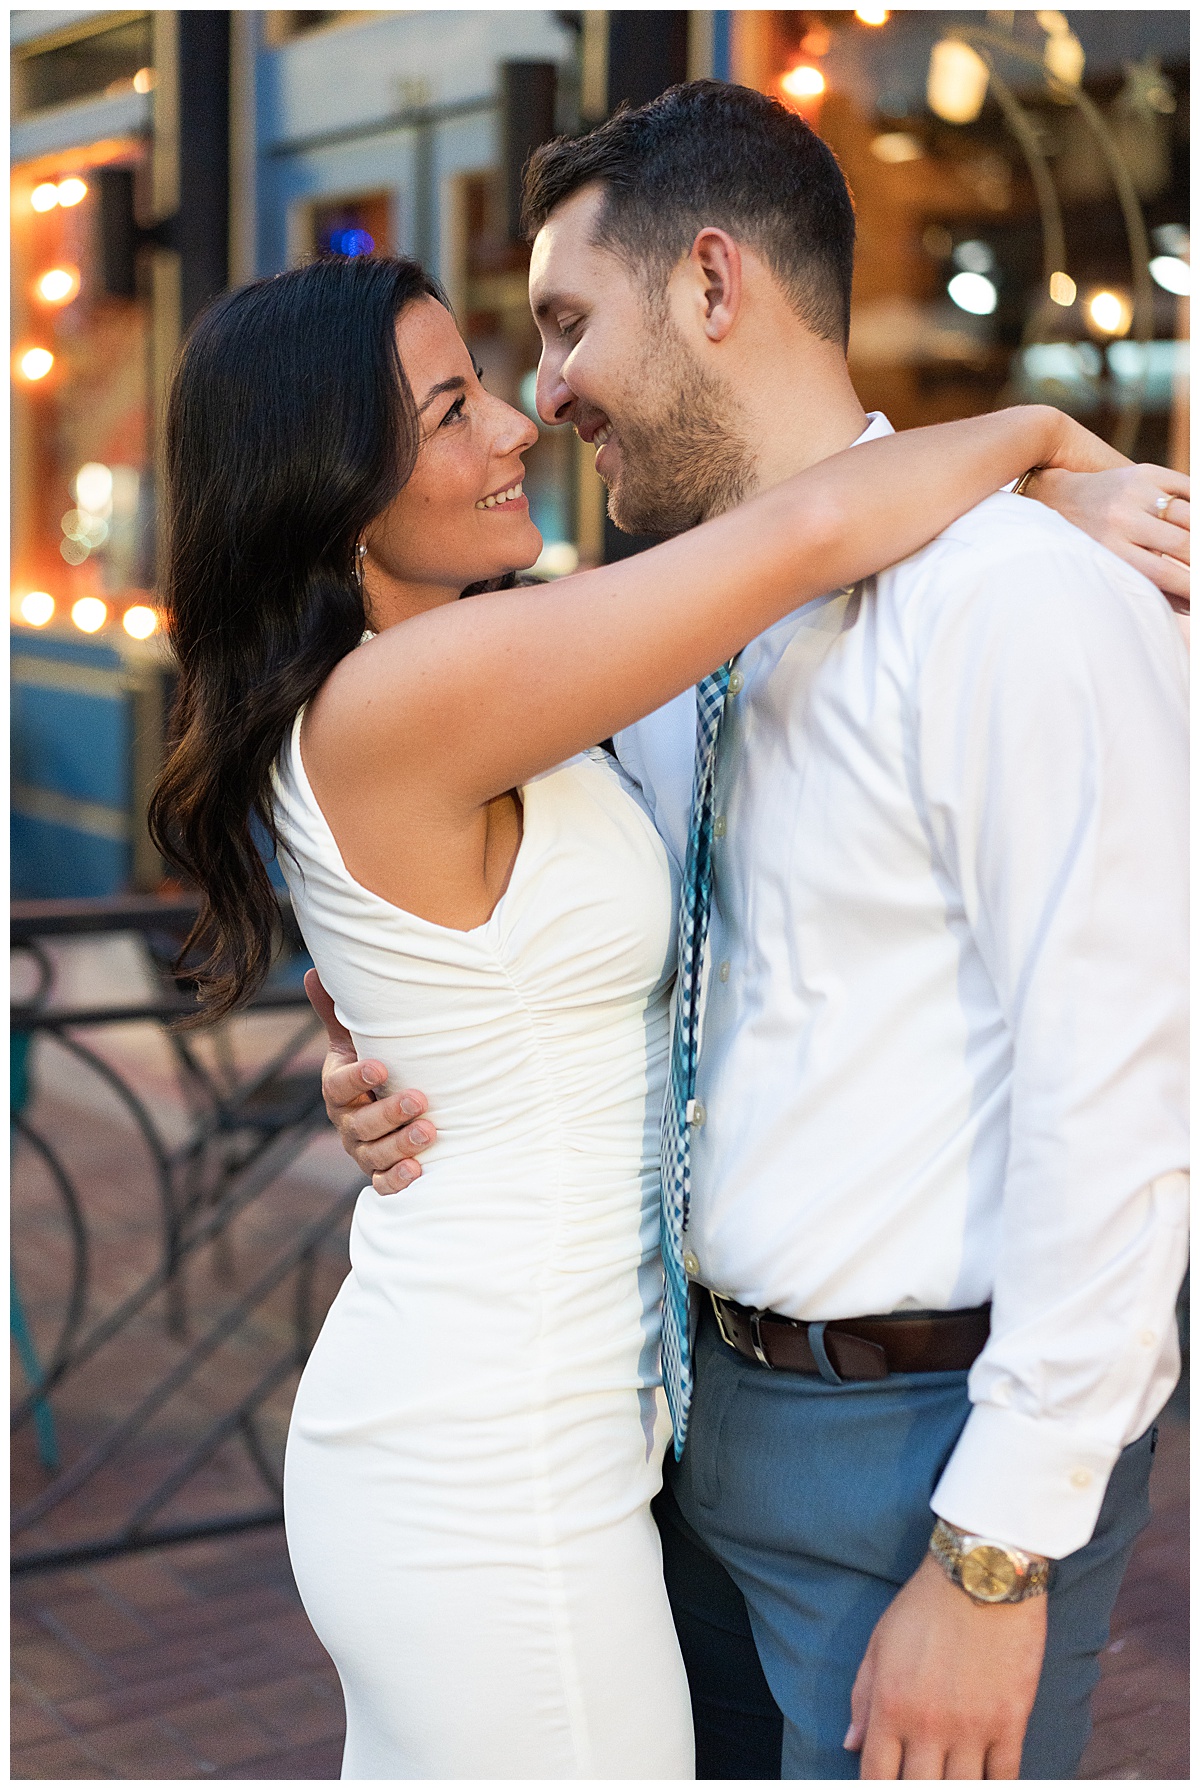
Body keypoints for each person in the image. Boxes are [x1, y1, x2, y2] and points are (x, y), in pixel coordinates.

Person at [315, 83, 1189, 1780]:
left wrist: (995, 1554)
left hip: (921, 1453)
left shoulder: (1019, 607)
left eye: (566, 326)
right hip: (668, 1442)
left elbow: (1132, 1100)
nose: (544, 392)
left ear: (713, 282)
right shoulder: (648, 645)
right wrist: (378, 1054)